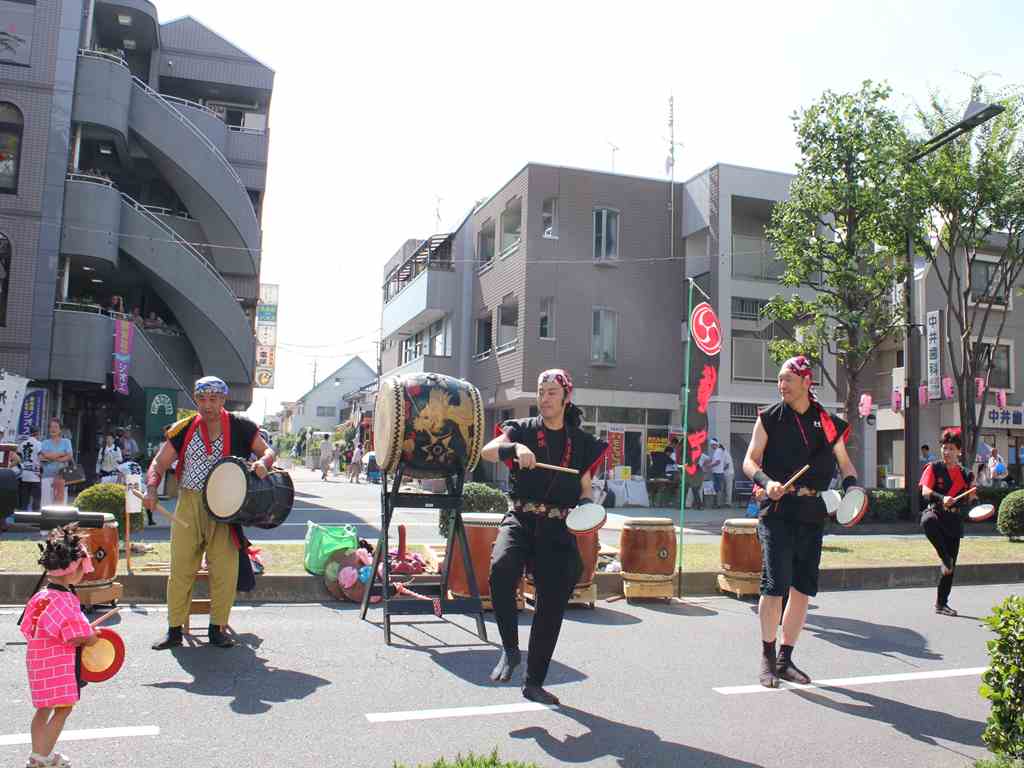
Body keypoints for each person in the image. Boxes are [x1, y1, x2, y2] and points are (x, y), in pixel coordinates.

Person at [481, 369, 608, 706]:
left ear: (566, 397)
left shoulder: (581, 442)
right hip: (521, 518)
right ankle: (510, 650)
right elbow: (488, 452)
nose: (545, 397)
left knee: (552, 605)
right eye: (541, 391)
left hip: (557, 527)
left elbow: (584, 489)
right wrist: (515, 448)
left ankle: (534, 682)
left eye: (552, 392)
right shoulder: (522, 429)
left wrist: (587, 509)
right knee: (501, 569)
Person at [743, 355, 857, 688]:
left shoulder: (828, 422)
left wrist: (853, 489)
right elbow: (750, 461)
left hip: (812, 512)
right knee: (775, 585)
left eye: (788, 379)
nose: (781, 385)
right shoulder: (769, 418)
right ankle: (767, 656)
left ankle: (785, 659)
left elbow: (845, 465)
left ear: (807, 382)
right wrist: (767, 483)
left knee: (802, 588)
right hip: (778, 511)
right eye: (779, 379)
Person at [144, 376, 274, 650]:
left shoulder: (241, 426)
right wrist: (152, 488)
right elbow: (159, 462)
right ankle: (174, 630)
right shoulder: (183, 428)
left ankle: (217, 629)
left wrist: (263, 462)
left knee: (224, 571)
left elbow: (268, 451)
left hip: (225, 509)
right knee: (181, 568)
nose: (207, 405)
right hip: (189, 504)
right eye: (202, 399)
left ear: (223, 400)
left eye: (213, 399)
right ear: (196, 400)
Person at [19, 524, 101, 768]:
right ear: (72, 572)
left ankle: (38, 754)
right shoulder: (66, 600)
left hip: (37, 661)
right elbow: (75, 636)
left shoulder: (40, 596)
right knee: (63, 709)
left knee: (43, 709)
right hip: (58, 665)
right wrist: (92, 637)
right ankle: (41, 759)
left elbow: (27, 627)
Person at [920, 430, 977, 616]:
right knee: (927, 520)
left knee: (950, 569)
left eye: (951, 449)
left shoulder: (967, 475)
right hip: (936, 513)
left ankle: (941, 604)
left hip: (954, 520)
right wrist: (942, 498)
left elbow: (972, 498)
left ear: (959, 451)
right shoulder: (933, 468)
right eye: (944, 448)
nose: (947, 452)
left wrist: (976, 504)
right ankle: (944, 558)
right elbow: (925, 492)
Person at [39, 418, 73, 508]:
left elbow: (69, 456)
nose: (53, 429)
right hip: (47, 475)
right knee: (46, 503)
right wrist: (61, 454)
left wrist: (51, 457)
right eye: (51, 427)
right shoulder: (44, 442)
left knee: (60, 503)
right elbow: (42, 456)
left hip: (62, 476)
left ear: (60, 430)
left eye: (55, 427)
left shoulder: (66, 442)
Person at [710, 438, 728, 508]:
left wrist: (709, 466)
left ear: (714, 444)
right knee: (718, 489)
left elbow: (717, 462)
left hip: (718, 473)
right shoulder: (720, 450)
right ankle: (718, 503)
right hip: (719, 472)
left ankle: (718, 504)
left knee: (718, 489)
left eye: (711, 445)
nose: (711, 447)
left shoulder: (718, 451)